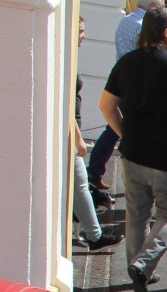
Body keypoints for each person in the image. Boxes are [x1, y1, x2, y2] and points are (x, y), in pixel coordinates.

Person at [100, 7, 167, 292]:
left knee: (137, 215)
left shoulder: (126, 63)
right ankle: (143, 265)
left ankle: (138, 267)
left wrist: (123, 133)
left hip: (132, 153)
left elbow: (106, 105)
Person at [89, 0, 165, 196]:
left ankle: (95, 171)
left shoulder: (126, 20)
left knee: (114, 127)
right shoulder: (143, 27)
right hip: (136, 82)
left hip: (121, 76)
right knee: (127, 129)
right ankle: (123, 175)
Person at [70, 18, 125, 251]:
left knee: (78, 187)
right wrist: (79, 138)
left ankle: (91, 234)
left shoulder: (69, 57)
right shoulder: (65, 58)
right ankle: (94, 236)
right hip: (71, 136)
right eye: (81, 31)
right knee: (80, 186)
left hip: (72, 134)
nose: (84, 35)